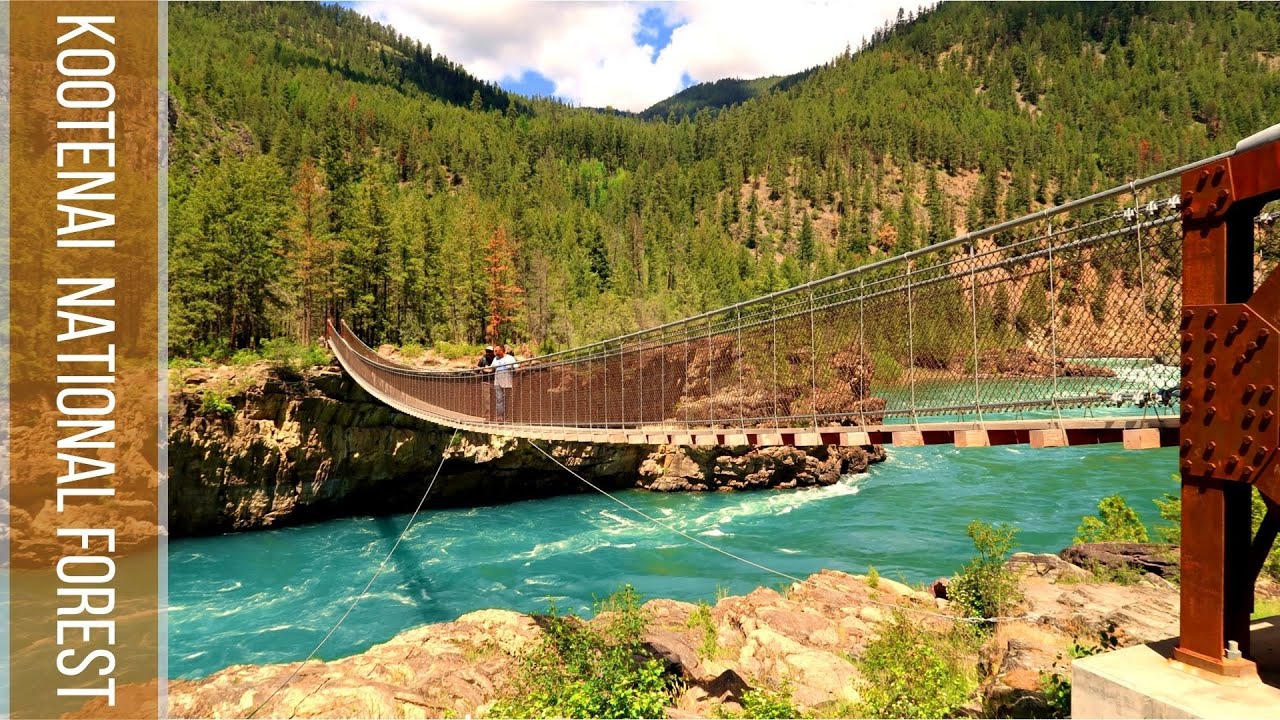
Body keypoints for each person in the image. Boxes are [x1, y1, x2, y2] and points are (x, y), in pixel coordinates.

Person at [491, 343, 518, 422]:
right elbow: (491, 369)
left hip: (507, 382)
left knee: (507, 400)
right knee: (499, 399)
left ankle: (507, 417)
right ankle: (500, 417)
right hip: (497, 382)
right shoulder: (495, 359)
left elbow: (516, 368)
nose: (494, 352)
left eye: (496, 350)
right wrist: (479, 368)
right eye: (494, 351)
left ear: (502, 350)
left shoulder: (510, 358)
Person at [476, 346, 495, 418]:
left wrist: (483, 369)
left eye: (490, 351)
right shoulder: (482, 360)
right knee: (486, 400)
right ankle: (487, 417)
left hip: (495, 381)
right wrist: (477, 368)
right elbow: (477, 370)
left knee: (496, 399)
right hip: (486, 382)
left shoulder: (496, 359)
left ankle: (496, 416)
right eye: (487, 351)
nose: (488, 353)